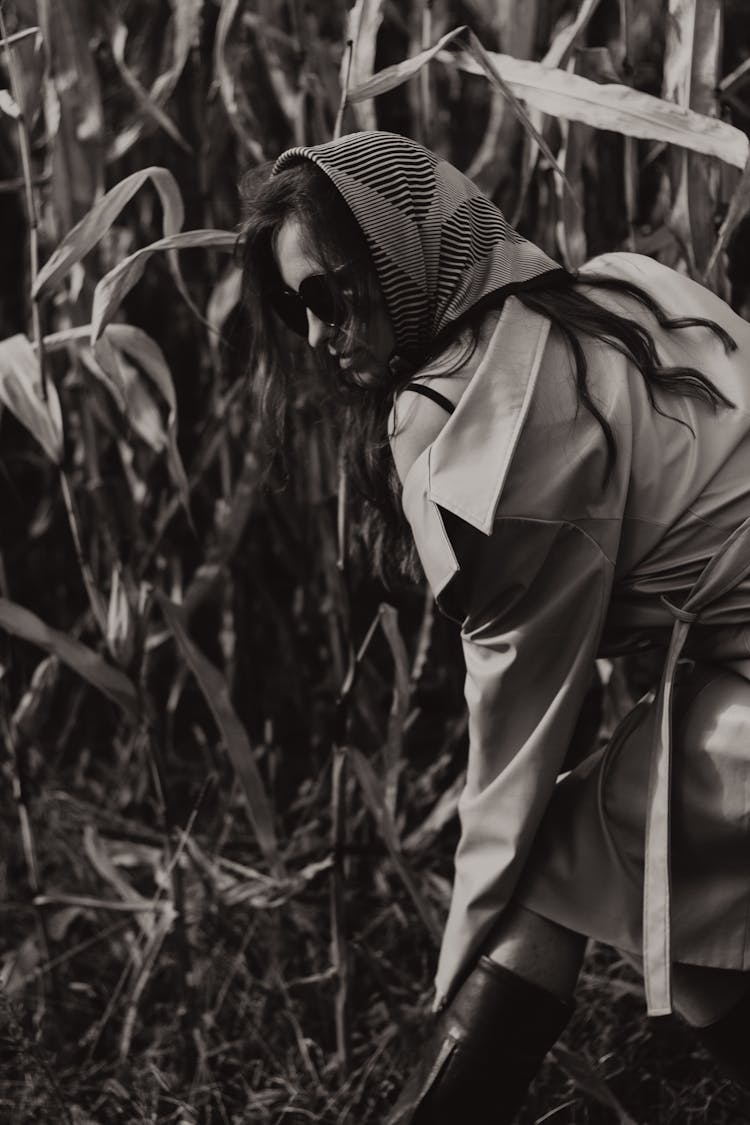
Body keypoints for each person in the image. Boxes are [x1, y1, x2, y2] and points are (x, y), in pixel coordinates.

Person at [239, 129, 750, 1123]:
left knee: (555, 869)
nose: (315, 335)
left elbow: (511, 758)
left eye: (331, 293)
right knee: (671, 904)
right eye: (295, 308)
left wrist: (456, 980)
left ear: (402, 257)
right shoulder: (617, 290)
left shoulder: (501, 441)